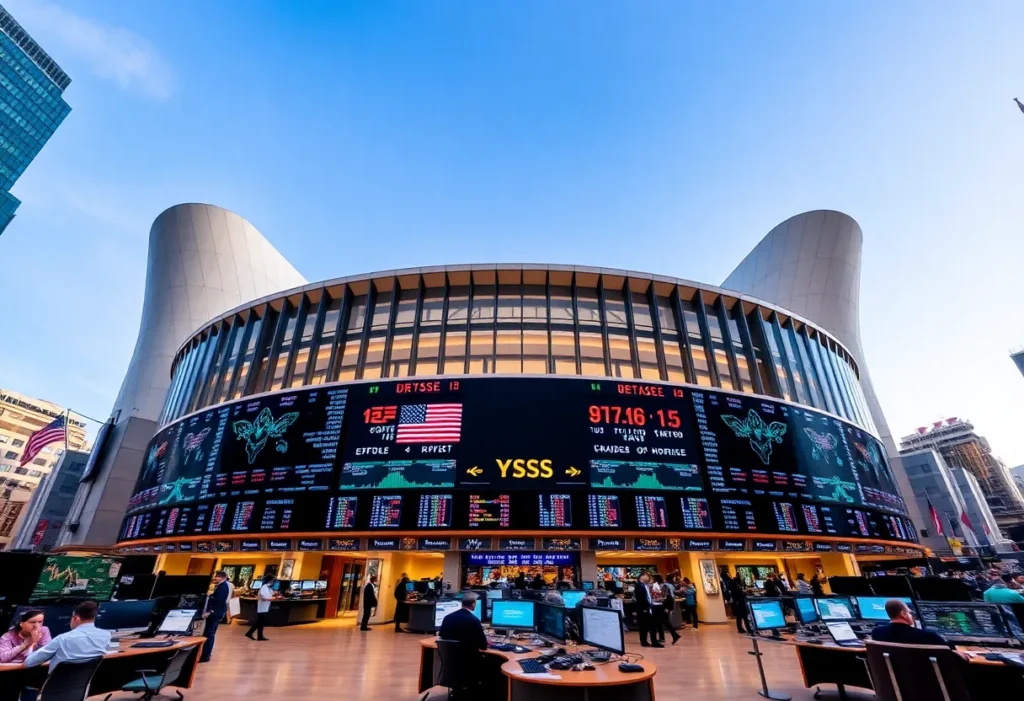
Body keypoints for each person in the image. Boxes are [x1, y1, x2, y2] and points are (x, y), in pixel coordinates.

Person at [25, 601, 110, 669]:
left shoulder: (63, 639)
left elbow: (29, 663)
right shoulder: (106, 635)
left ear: (76, 618)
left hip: (54, 688)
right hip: (83, 688)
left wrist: (32, 644)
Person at [871, 600, 956, 648]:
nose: (912, 615)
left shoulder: (877, 633)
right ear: (903, 614)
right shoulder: (927, 636)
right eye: (910, 612)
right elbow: (950, 649)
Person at [200, 571, 230, 663]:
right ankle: (206, 654)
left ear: (222, 577)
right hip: (219, 612)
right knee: (210, 632)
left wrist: (210, 611)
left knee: (209, 633)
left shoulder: (222, 587)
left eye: (217, 577)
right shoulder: (222, 586)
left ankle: (206, 655)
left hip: (215, 613)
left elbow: (219, 601)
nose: (215, 578)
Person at [634, 574, 662, 648]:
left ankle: (648, 641)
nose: (648, 578)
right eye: (646, 576)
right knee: (645, 626)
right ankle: (649, 642)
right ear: (641, 577)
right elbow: (640, 598)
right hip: (643, 609)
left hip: (648, 608)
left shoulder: (645, 586)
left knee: (648, 625)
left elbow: (647, 596)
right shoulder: (639, 586)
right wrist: (646, 607)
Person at [650, 574, 679, 644]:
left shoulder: (662, 586)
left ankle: (673, 635)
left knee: (664, 621)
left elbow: (665, 596)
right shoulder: (663, 585)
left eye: (653, 579)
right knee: (662, 621)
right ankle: (669, 636)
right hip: (665, 605)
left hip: (664, 606)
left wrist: (667, 608)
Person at [246, 574, 275, 641]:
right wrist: (273, 598)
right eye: (272, 580)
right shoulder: (264, 587)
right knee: (260, 622)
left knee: (260, 622)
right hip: (262, 607)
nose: (273, 582)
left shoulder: (268, 588)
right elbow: (265, 597)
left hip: (264, 607)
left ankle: (258, 636)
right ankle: (252, 634)